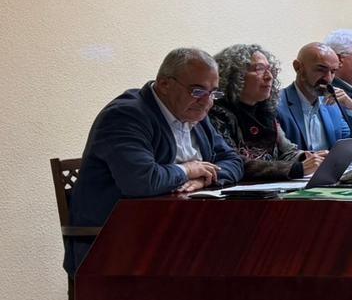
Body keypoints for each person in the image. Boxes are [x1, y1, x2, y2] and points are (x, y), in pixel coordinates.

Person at [66, 48, 244, 273]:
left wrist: (203, 179)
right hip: (116, 244)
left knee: (242, 255)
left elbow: (234, 161)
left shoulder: (194, 112)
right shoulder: (125, 116)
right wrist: (188, 170)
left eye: (213, 93)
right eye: (197, 90)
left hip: (174, 234)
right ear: (164, 84)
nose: (207, 102)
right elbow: (141, 180)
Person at [210, 43, 326, 181]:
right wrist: (296, 169)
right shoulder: (217, 113)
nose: (269, 76)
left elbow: (287, 152)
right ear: (233, 76)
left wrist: (312, 158)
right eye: (259, 69)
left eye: (270, 70)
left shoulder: (265, 111)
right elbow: (234, 162)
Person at [277, 42, 352, 152]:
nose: (328, 79)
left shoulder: (331, 105)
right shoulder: (276, 104)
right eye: (321, 70)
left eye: (333, 72)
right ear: (298, 67)